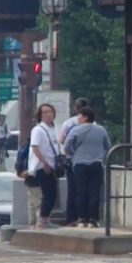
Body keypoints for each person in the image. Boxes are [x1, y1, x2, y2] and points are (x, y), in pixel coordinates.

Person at [63, 106, 111, 228]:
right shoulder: (101, 130)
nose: (78, 118)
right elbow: (108, 146)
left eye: (79, 116)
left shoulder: (75, 130)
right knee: (94, 191)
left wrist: (74, 154)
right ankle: (93, 219)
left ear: (85, 117)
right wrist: (99, 154)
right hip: (96, 164)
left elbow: (67, 146)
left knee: (80, 192)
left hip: (79, 164)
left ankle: (82, 218)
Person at [58, 97, 90, 225]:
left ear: (75, 108)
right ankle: (86, 217)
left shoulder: (69, 123)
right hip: (88, 160)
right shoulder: (93, 124)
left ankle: (72, 218)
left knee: (73, 190)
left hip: (71, 160)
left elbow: (61, 140)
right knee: (87, 189)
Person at [28, 103, 60, 229]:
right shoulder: (38, 130)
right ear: (40, 115)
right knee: (48, 194)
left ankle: (45, 218)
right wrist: (44, 163)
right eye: (45, 112)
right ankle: (42, 220)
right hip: (43, 166)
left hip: (53, 165)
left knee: (52, 194)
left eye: (50, 112)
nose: (48, 114)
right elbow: (35, 147)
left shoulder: (53, 128)